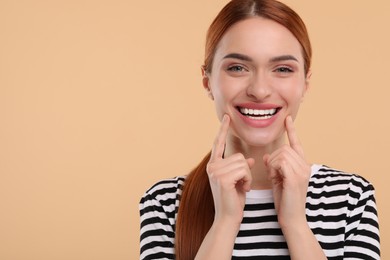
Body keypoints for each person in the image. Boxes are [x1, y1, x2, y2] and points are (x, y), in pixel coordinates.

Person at [139, 0, 380, 259]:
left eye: (283, 69)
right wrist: (225, 223)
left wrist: (296, 223)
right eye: (237, 68)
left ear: (305, 84)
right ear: (207, 81)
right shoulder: (164, 203)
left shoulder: (351, 197)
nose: (260, 90)